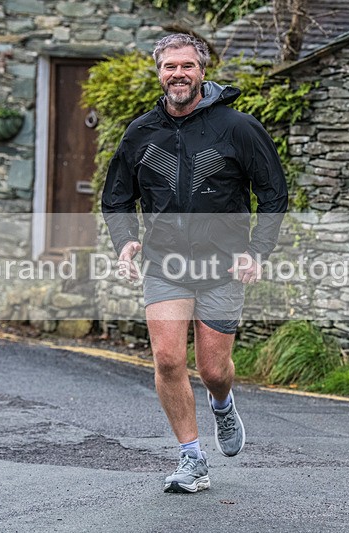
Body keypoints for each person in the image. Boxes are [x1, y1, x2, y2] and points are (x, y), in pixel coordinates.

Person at [101, 33, 287, 493]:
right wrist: (125, 241)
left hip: (222, 265)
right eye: (169, 66)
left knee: (213, 370)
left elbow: (274, 193)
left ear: (202, 71)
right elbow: (116, 197)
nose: (178, 74)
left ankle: (222, 406)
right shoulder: (142, 132)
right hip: (165, 263)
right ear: (159, 72)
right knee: (167, 360)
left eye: (186, 66)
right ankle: (191, 459)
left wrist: (257, 251)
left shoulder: (238, 128)